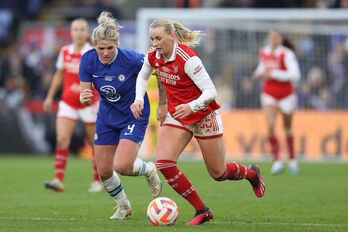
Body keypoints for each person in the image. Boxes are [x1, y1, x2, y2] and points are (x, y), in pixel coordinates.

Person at [130, 18, 265, 226]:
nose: (155, 43)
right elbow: (142, 77)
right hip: (179, 115)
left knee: (218, 173)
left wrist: (191, 106)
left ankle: (251, 173)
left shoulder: (188, 59)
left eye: (159, 38)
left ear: (172, 36)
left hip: (203, 114)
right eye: (152, 39)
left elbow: (211, 92)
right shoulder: (153, 56)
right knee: (164, 164)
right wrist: (139, 99)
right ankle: (201, 209)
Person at [79, 12, 162, 220]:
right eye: (101, 48)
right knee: (104, 171)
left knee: (123, 166)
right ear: (94, 46)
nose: (105, 53)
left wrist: (164, 103)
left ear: (117, 44)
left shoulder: (131, 59)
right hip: (107, 116)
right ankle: (123, 206)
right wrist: (85, 97)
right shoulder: (88, 60)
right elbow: (85, 95)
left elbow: (159, 70)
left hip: (134, 114)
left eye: (110, 48)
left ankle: (149, 169)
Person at [43, 18, 103, 193]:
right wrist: (49, 97)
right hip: (68, 102)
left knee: (94, 143)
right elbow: (59, 75)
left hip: (89, 103)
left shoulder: (92, 53)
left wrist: (86, 87)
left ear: (87, 33)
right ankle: (58, 180)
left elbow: (99, 77)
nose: (78, 32)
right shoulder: (65, 51)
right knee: (62, 139)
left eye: (82, 29)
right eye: (75, 29)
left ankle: (97, 180)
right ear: (71, 32)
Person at [252, 30, 301, 175]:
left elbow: (295, 75)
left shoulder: (287, 54)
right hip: (269, 93)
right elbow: (262, 67)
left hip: (286, 95)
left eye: (276, 37)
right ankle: (277, 161)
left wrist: (273, 74)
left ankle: (292, 159)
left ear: (281, 39)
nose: (273, 39)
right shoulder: (264, 52)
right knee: (271, 125)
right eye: (271, 36)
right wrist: (257, 73)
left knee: (287, 128)